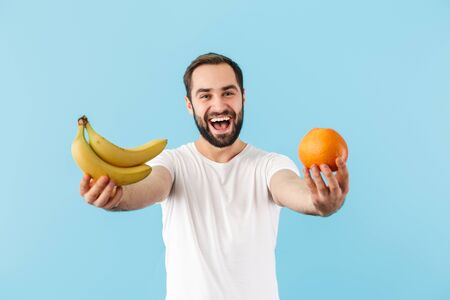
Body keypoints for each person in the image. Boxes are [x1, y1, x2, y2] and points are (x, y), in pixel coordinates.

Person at [79, 53, 350, 300]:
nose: (219, 105)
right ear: (189, 104)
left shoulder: (270, 164)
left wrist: (320, 202)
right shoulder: (172, 163)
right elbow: (151, 186)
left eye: (228, 93)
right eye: (205, 95)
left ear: (243, 97)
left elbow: (290, 188)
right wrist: (117, 197)